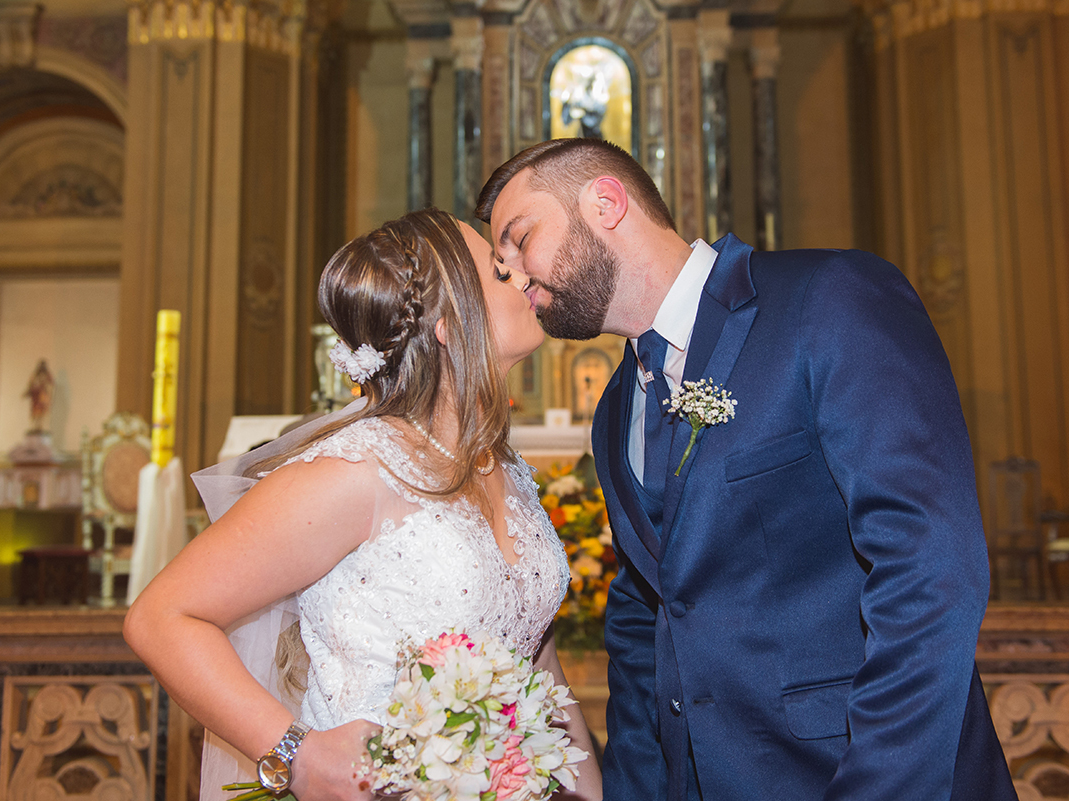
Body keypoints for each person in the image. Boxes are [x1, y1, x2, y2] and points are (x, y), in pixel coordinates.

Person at [476, 139, 1018, 801]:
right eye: (501, 262)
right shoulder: (617, 408)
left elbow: (930, 570)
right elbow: (646, 616)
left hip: (853, 773)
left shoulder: (828, 299)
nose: (514, 273)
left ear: (605, 202)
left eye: (519, 237)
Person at [124, 208, 602, 801]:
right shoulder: (356, 472)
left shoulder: (502, 468)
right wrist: (296, 754)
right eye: (501, 274)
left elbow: (536, 656)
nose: (525, 277)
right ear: (450, 323)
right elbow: (162, 617)